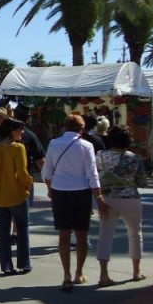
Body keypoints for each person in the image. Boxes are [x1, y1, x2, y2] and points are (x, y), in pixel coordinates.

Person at [43, 112, 105, 292]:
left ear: (64, 126)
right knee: (81, 236)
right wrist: (98, 197)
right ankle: (78, 272)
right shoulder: (86, 145)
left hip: (60, 191)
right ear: (82, 128)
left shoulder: (54, 144)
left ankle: (66, 276)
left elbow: (47, 172)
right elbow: (92, 174)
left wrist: (50, 189)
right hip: (81, 192)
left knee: (63, 235)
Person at [95, 126, 148, 287]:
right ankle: (136, 271)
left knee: (105, 235)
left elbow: (95, 174)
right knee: (135, 233)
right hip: (130, 198)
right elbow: (142, 182)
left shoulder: (100, 156)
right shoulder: (135, 158)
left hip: (107, 198)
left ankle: (104, 275)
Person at [0, 118, 33, 275]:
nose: (22, 132)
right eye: (20, 129)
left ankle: (6, 266)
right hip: (16, 195)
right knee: (22, 227)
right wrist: (29, 183)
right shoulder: (18, 148)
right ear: (12, 131)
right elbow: (22, 173)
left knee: (3, 230)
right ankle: (24, 263)